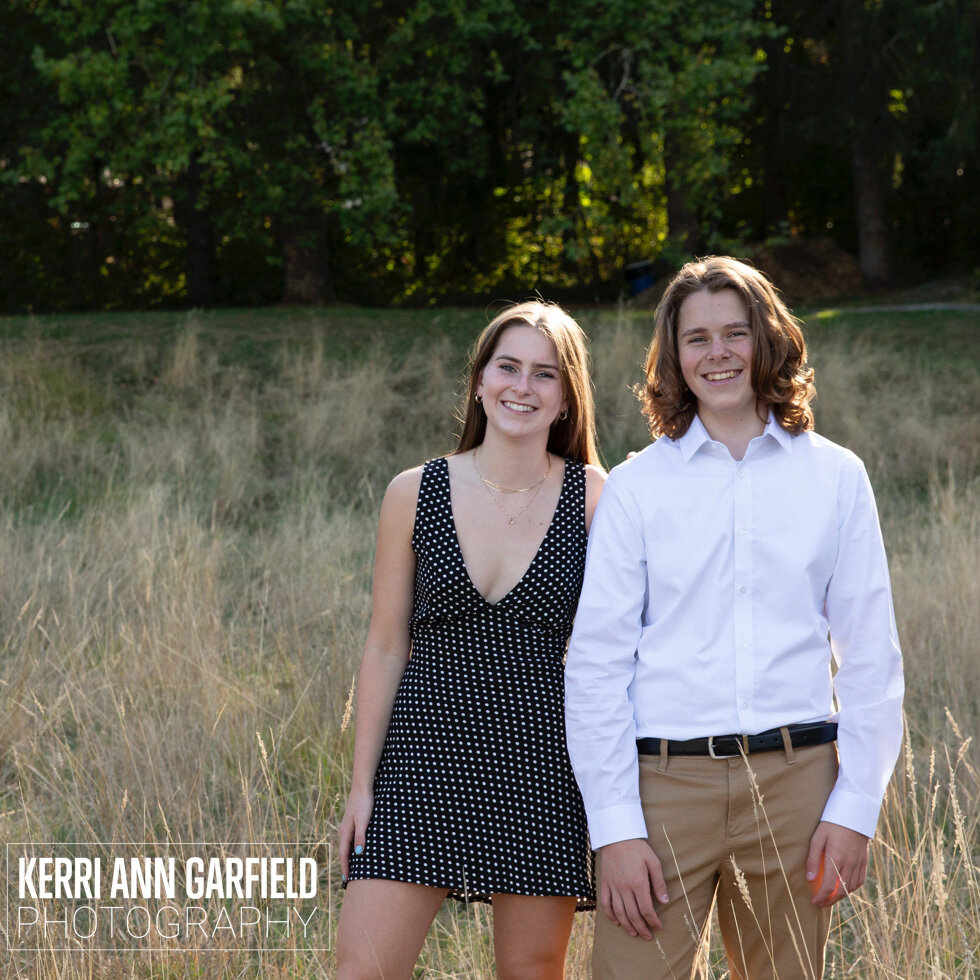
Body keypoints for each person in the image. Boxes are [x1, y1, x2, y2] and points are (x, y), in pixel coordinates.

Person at [565, 256, 904, 979]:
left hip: (796, 785)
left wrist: (854, 810)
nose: (716, 353)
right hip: (661, 789)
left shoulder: (836, 477)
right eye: (696, 338)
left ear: (768, 342)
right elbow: (595, 665)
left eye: (734, 333)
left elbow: (872, 656)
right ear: (674, 356)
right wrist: (616, 829)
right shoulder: (635, 490)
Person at [336, 301, 606, 979]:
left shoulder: (598, 498)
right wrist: (361, 786)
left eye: (545, 374)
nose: (523, 386)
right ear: (480, 381)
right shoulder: (413, 491)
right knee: (363, 969)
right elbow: (384, 645)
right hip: (419, 762)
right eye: (507, 366)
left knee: (530, 974)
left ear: (568, 398)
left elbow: (617, 653)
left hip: (543, 764)